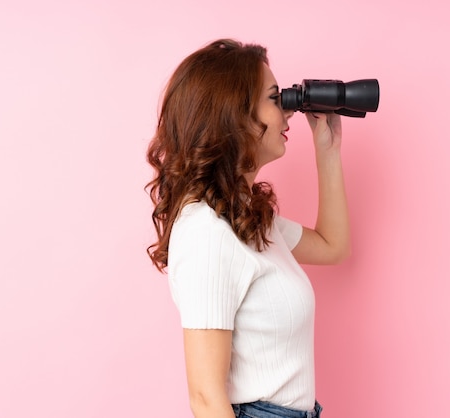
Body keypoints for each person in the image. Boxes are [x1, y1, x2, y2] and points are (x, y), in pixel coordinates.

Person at [145, 39, 351, 418]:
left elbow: (332, 245)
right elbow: (206, 397)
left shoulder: (246, 217)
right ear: (235, 115)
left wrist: (328, 147)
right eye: (276, 99)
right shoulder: (206, 231)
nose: (288, 112)